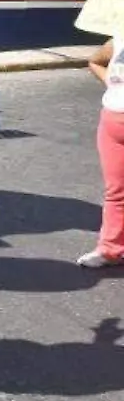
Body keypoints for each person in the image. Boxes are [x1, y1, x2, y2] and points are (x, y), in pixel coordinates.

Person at [81, 37, 124, 268]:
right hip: (112, 123)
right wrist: (114, 86)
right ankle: (110, 249)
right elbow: (95, 61)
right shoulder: (119, 37)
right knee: (116, 192)